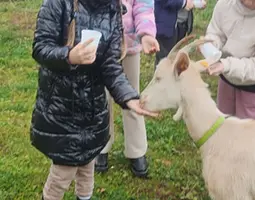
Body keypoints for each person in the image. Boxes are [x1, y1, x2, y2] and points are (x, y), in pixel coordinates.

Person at [30, 0, 157, 199]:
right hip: (61, 106)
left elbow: (110, 66)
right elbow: (40, 47)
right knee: (63, 172)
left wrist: (129, 97)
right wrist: (69, 56)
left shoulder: (112, 8)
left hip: (93, 108)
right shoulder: (57, 4)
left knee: (87, 166)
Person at [95, 0, 159, 178]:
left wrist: (146, 34)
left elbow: (144, 6)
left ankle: (137, 150)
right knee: (100, 97)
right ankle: (101, 147)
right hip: (100, 44)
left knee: (132, 96)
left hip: (129, 45)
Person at [154, 0, 194, 68]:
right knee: (164, 59)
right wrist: (184, 3)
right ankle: (161, 76)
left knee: (170, 56)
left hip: (170, 25)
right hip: (163, 27)